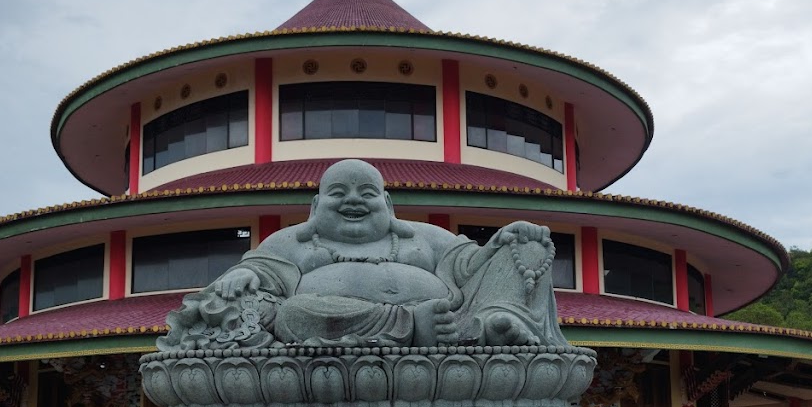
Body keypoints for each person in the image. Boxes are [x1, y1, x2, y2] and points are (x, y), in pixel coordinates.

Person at [161, 159, 570, 352]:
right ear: (315, 205)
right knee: (295, 313)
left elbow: (470, 266)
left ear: (387, 203)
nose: (353, 201)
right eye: (338, 194)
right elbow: (259, 272)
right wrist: (241, 276)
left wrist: (503, 242)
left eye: (367, 194)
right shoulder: (292, 242)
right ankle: (412, 326)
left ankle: (494, 324)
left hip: (452, 323)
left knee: (525, 246)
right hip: (337, 327)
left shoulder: (424, 238)